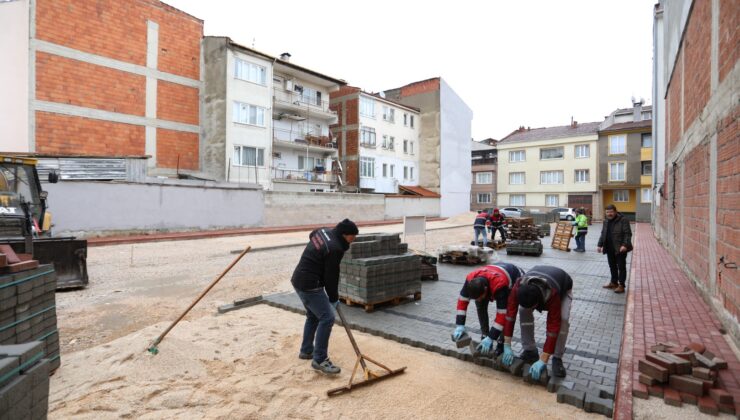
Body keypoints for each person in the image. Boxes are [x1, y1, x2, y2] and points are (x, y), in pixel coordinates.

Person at [291, 218, 358, 374]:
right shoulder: (334, 249)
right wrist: (334, 298)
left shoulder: (324, 231)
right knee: (327, 318)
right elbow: (331, 277)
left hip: (298, 279)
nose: (354, 240)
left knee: (313, 316)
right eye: (352, 237)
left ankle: (307, 350)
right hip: (310, 285)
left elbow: (312, 234)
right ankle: (320, 359)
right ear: (344, 234)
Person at [501, 265, 573, 380]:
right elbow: (510, 315)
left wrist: (544, 358)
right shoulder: (518, 287)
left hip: (563, 284)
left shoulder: (552, 295)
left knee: (563, 319)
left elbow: (553, 327)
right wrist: (507, 344)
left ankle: (557, 358)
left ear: (538, 303)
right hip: (539, 275)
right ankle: (530, 350)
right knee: (523, 310)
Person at [451, 262, 525, 357]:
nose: (477, 299)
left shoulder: (500, 285)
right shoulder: (470, 279)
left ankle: (501, 342)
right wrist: (460, 325)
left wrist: (492, 337)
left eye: (479, 296)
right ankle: (484, 335)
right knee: (480, 305)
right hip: (492, 271)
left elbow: (502, 316)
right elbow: (462, 301)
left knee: (508, 314)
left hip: (513, 277)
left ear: (486, 289)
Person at [597, 204, 632, 294]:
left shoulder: (623, 220)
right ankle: (614, 282)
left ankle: (621, 285)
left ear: (615, 212)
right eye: (607, 212)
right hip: (609, 248)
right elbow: (603, 233)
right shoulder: (606, 221)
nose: (609, 214)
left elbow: (627, 233)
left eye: (611, 212)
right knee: (612, 266)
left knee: (621, 267)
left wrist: (625, 245)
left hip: (620, 248)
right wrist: (599, 245)